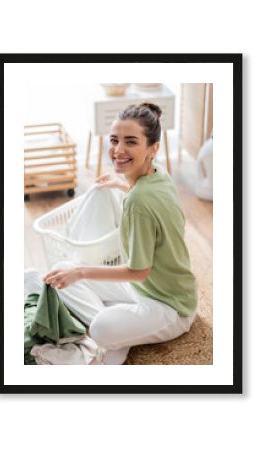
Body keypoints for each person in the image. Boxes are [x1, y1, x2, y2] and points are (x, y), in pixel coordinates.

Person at [41, 102, 198, 365]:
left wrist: (81, 273)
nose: (118, 150)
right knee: (60, 270)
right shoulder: (160, 174)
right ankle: (122, 324)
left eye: (131, 142)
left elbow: (139, 271)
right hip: (148, 289)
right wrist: (121, 185)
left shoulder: (139, 203)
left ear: (153, 148)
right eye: (114, 140)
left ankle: (115, 325)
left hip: (171, 307)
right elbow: (148, 203)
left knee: (100, 326)